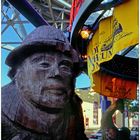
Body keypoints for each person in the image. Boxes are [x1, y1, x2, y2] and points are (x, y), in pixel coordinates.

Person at [2, 25, 88, 140]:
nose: (57, 72)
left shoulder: (74, 107)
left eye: (65, 67)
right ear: (18, 72)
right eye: (44, 64)